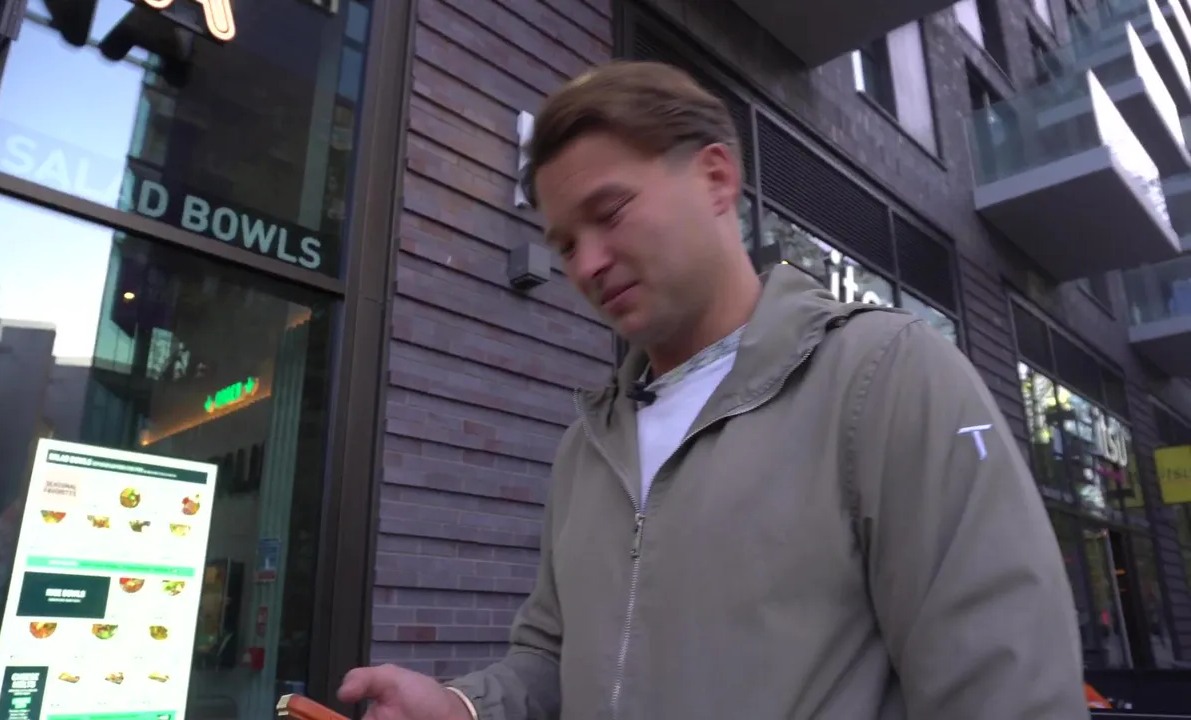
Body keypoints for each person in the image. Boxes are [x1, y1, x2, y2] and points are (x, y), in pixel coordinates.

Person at [339, 61, 1088, 719]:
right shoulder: (588, 448)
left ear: (717, 178)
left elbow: (1001, 685)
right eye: (565, 244)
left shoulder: (885, 376)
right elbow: (554, 662)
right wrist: (466, 707)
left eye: (610, 213)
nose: (587, 264)